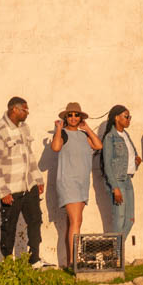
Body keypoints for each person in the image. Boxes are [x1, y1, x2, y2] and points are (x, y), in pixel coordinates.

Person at [0, 96, 49, 267]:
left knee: (35, 220)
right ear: (14, 109)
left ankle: (34, 259)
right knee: (9, 226)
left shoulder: (25, 129)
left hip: (29, 186)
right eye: (24, 109)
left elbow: (30, 155)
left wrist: (37, 179)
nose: (27, 113)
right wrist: (3, 191)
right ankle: (8, 263)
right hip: (11, 189)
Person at [49, 101, 101, 269]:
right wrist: (58, 129)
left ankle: (70, 261)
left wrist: (87, 129)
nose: (72, 117)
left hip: (82, 183)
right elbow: (56, 147)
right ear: (65, 118)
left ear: (80, 118)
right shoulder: (62, 134)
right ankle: (74, 262)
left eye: (76, 115)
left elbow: (98, 145)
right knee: (76, 221)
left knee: (74, 222)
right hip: (68, 182)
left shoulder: (83, 135)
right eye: (69, 115)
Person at [100, 104, 139, 239]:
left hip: (128, 179)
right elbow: (108, 165)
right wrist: (115, 187)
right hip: (117, 180)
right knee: (119, 218)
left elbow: (130, 157)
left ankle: (114, 252)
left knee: (130, 219)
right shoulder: (110, 137)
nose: (129, 119)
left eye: (130, 117)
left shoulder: (126, 135)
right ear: (117, 118)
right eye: (126, 116)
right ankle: (116, 255)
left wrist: (136, 162)